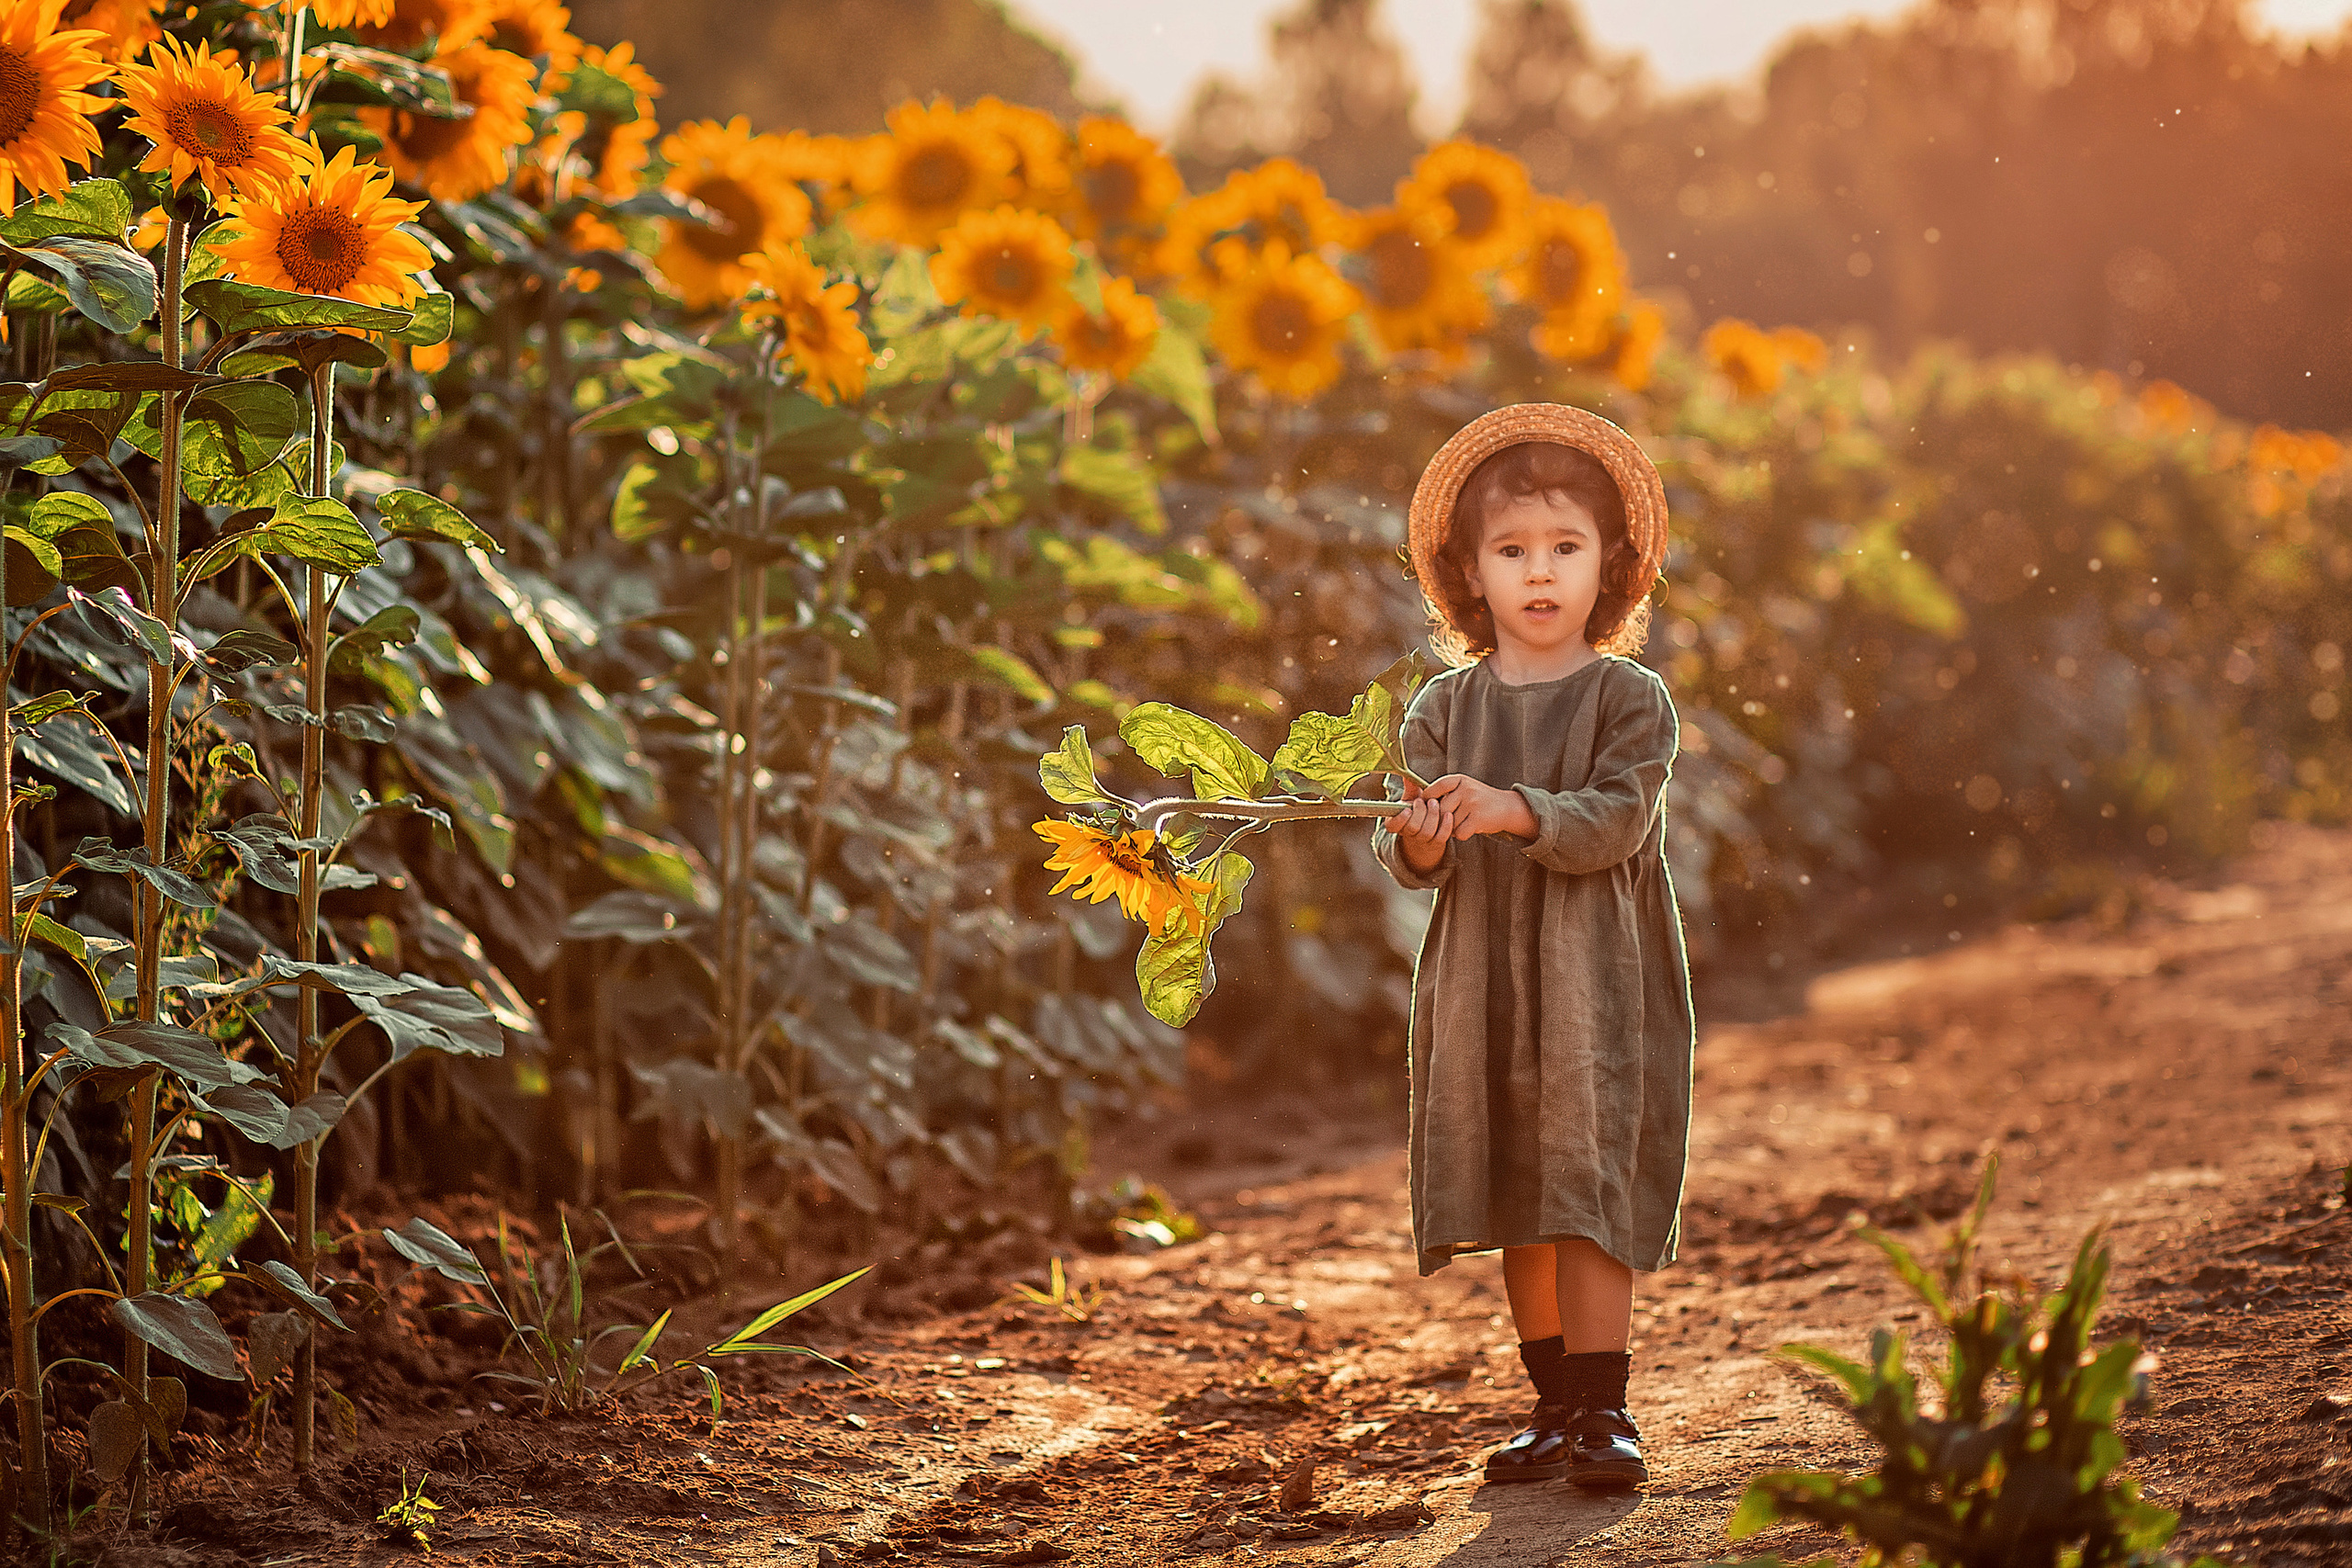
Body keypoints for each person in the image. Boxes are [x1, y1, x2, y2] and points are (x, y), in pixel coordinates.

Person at [1371, 402, 1694, 1491]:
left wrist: (1513, 808)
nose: (1540, 572)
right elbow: (1411, 857)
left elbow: (1615, 821)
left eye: (1566, 547)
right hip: (1483, 979)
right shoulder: (1439, 710)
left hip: (1593, 977)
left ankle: (1607, 1409)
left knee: (1584, 1174)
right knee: (1514, 1173)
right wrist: (1416, 841)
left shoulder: (1628, 699)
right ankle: (1551, 1405)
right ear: (1470, 574)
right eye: (1512, 551)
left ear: (1613, 565)